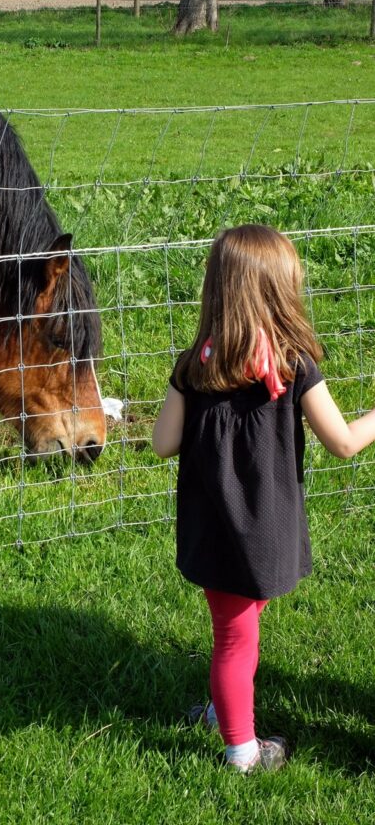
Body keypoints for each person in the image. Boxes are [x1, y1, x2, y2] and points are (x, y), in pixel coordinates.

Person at [152, 224, 375, 774]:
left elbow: (162, 443)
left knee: (234, 631)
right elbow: (344, 442)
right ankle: (243, 753)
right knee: (236, 639)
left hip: (212, 528)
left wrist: (186, 383)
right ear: (279, 292)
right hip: (264, 528)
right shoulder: (295, 364)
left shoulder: (194, 365)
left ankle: (225, 710)